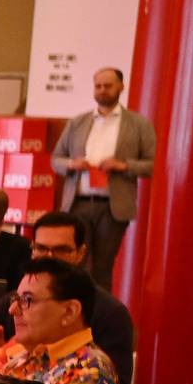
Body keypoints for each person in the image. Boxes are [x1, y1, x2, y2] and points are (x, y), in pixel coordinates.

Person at [0, 211, 136, 384]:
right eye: (41, 248)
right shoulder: (10, 336)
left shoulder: (108, 321)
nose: (48, 258)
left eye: (61, 250)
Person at [51, 66, 154, 283]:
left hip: (112, 206)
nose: (102, 90)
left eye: (108, 85)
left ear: (121, 87)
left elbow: (152, 165)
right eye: (98, 86)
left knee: (102, 268)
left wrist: (123, 166)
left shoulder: (138, 124)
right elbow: (55, 160)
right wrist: (72, 163)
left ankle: (98, 315)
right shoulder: (77, 122)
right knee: (74, 264)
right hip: (77, 203)